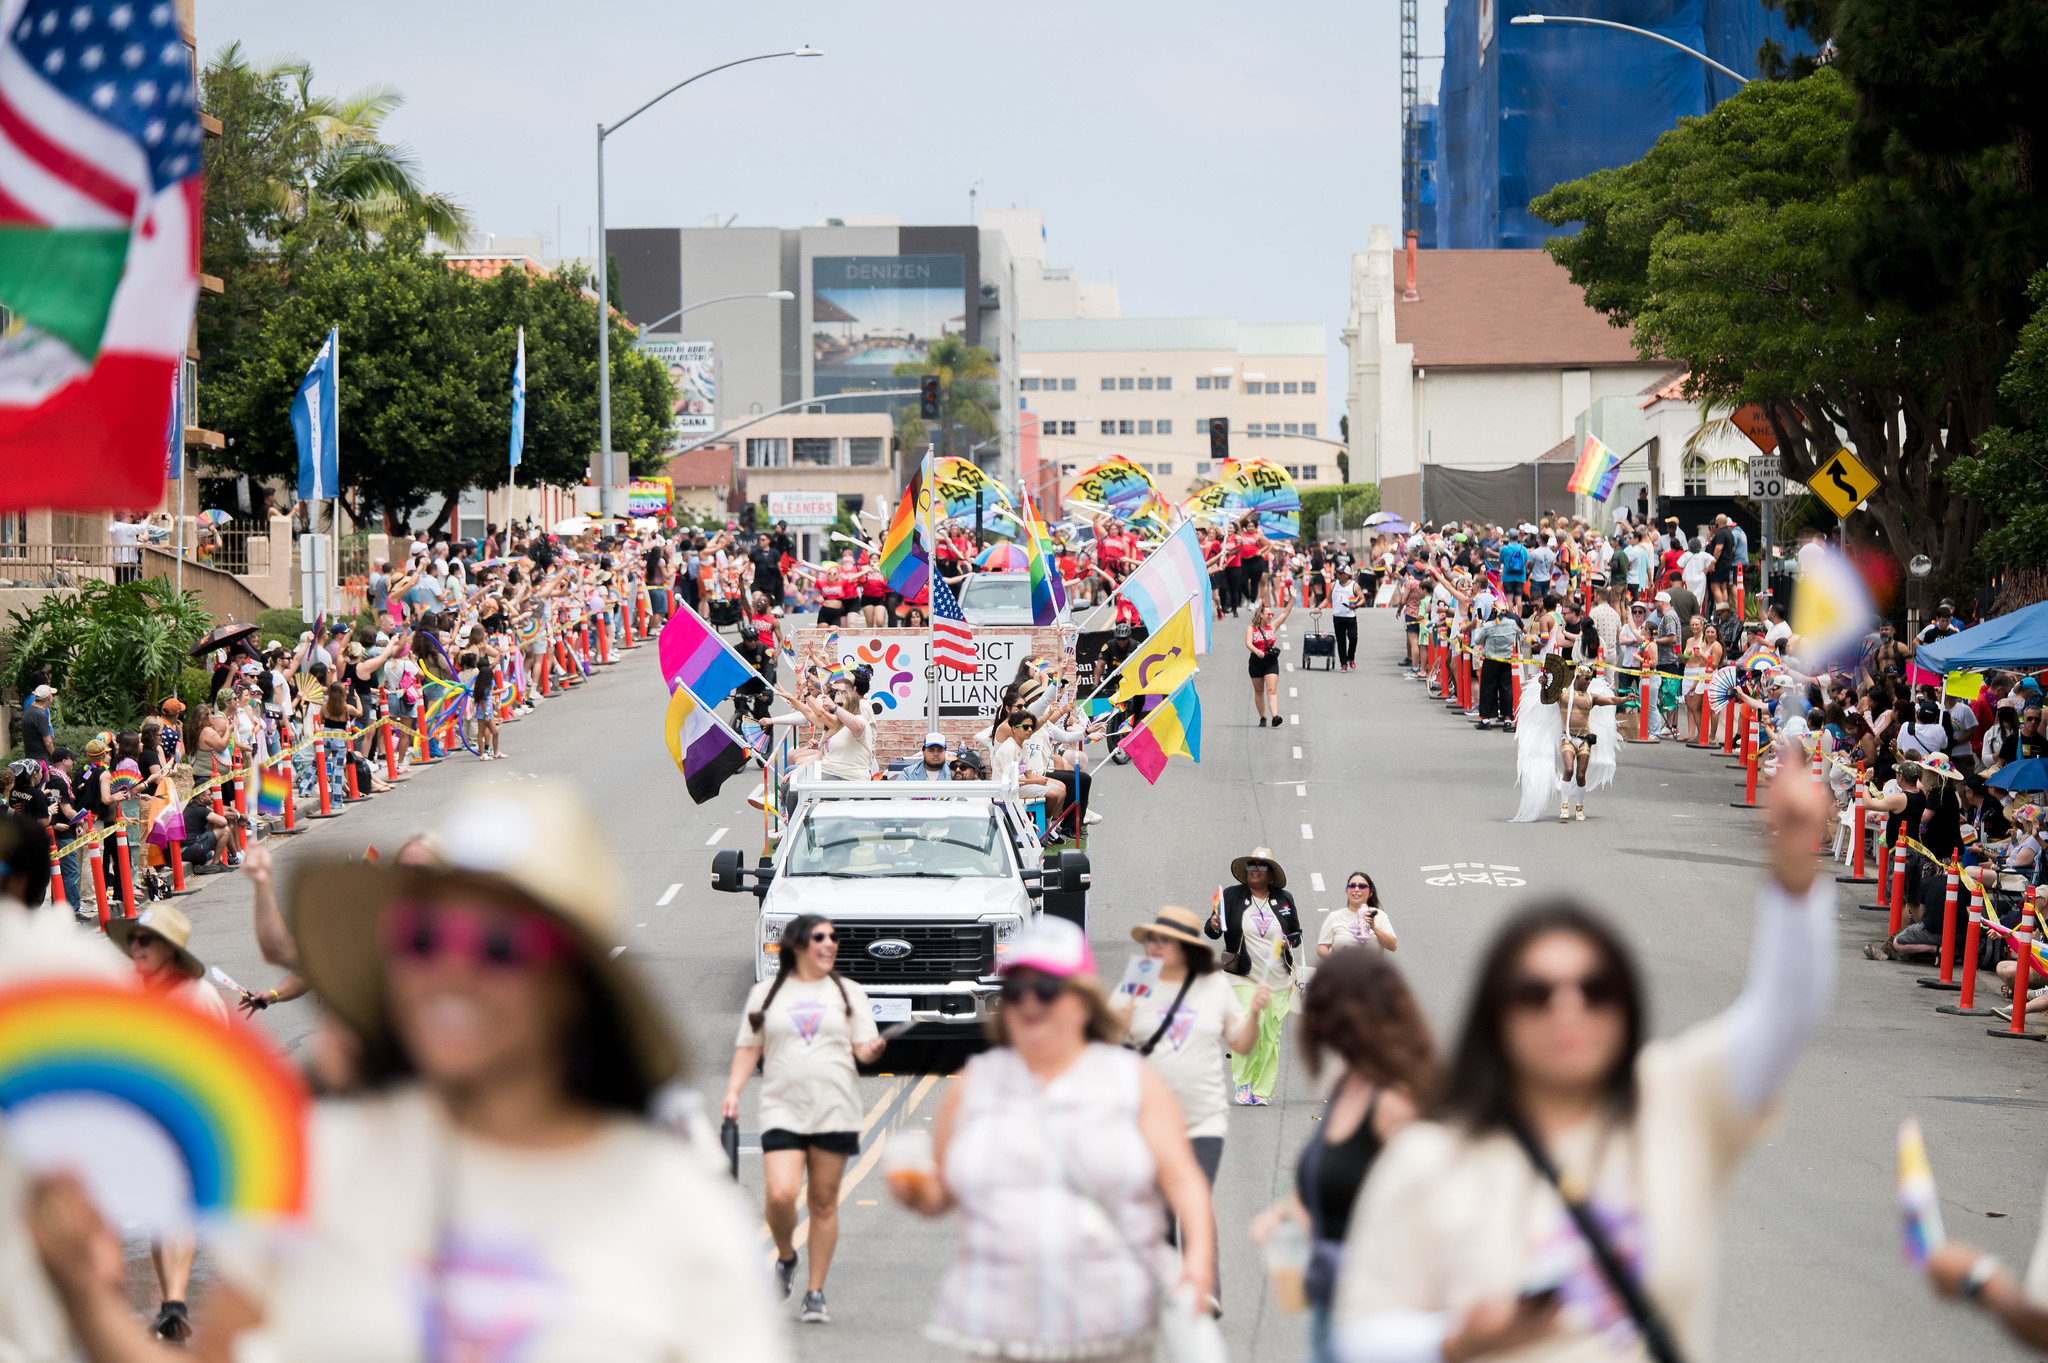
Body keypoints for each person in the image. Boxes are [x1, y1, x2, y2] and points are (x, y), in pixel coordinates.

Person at [30, 780, 787, 1363]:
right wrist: (82, 1293)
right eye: (424, 935)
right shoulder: (325, 1170)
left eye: (498, 946)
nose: (451, 968)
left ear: (570, 984)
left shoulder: (676, 1213)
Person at [1335, 764, 1837, 1363]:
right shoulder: (1431, 1155)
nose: (1568, 1007)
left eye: (1595, 988)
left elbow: (1784, 1014)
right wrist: (1452, 1341)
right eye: (1536, 992)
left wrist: (1795, 873)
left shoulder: (1674, 1099)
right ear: (1495, 1010)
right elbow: (1358, 1337)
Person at [891, 917, 1217, 1360]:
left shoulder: (1130, 1081)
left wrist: (1197, 1265)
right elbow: (941, 1195)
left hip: (1110, 1332)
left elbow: (1184, 1182)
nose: (1028, 1002)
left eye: (1045, 988)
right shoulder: (974, 1084)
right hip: (1000, 1332)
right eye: (1014, 990)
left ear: (1083, 1000)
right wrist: (914, 1192)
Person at [1252, 949, 1436, 1363]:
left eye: (1330, 1013)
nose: (1321, 1027)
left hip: (1384, 1312)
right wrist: (1286, 1213)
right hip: (1332, 1299)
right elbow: (1329, 1171)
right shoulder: (1345, 1080)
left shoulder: (1396, 1101)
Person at [726, 914, 885, 1324]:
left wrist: (872, 1049)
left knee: (822, 1201)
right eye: (820, 938)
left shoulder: (848, 993)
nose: (830, 944)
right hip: (782, 1107)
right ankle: (786, 1256)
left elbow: (863, 1050)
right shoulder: (767, 993)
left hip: (835, 1109)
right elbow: (748, 1047)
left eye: (833, 938)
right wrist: (732, 1092)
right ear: (798, 946)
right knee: (780, 1194)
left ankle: (814, 1291)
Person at [103, 905, 227, 1341]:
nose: (137, 947)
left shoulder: (199, 996)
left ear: (171, 950)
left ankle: (174, 1299)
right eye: (134, 939)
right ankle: (171, 1308)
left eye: (147, 940)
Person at [1123, 906, 1264, 1202]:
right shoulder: (1142, 974)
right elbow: (1110, 1032)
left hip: (1203, 1122)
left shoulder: (1212, 983)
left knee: (1193, 1204)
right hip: (1150, 1122)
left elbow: (1241, 1043)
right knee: (1158, 1217)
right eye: (1151, 939)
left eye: (1163, 941)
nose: (1153, 946)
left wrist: (1254, 1014)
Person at [1206, 846, 1304, 1106]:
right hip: (1243, 976)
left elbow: (1296, 933)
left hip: (1278, 979)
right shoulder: (1232, 896)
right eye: (1251, 866)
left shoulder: (1284, 899)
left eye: (1261, 867)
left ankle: (1261, 1090)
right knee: (1250, 1023)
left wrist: (1289, 942)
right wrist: (1214, 924)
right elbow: (1213, 929)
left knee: (1270, 1036)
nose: (1255, 871)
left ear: (1270, 874)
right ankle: (1243, 1083)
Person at [1513, 661, 1622, 823]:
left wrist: (1626, 698)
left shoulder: (1591, 698)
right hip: (1568, 739)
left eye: (1590, 680)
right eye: (1586, 679)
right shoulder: (1563, 696)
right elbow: (1545, 701)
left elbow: (1611, 701)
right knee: (1569, 769)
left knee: (1580, 775)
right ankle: (1564, 806)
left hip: (1584, 739)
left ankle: (1579, 808)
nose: (1588, 682)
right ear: (1577, 678)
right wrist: (1543, 686)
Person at [1320, 870, 1398, 956]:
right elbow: (1322, 947)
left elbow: (1392, 946)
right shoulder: (1334, 917)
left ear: (1371, 893)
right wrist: (1336, 964)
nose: (1356, 889)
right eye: (1352, 886)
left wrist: (1374, 927)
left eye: (1362, 886)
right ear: (1347, 890)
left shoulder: (1379, 915)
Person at [1248, 600, 1294, 728]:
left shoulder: (1272, 627)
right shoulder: (1251, 629)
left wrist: (1292, 598)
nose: (1270, 617)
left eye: (1271, 615)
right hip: (1256, 662)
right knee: (1259, 691)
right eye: (1268, 614)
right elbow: (1248, 643)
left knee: (1271, 690)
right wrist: (1256, 651)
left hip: (1270, 661)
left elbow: (1285, 614)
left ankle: (1275, 716)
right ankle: (1263, 716)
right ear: (1261, 615)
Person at [1332, 568, 1363, 671]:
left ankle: (1351, 657)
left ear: (1346, 575)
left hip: (1350, 616)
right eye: (1338, 572)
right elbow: (1328, 598)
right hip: (1338, 615)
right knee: (1341, 641)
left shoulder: (1354, 586)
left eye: (1341, 573)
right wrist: (1319, 608)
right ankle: (1343, 663)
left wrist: (1356, 605)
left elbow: (1362, 599)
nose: (1338, 575)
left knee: (1353, 637)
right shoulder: (1334, 585)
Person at [19, 683, 55, 763]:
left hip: (31, 757)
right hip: (40, 760)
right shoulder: (40, 715)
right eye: (52, 695)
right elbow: (48, 742)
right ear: (49, 697)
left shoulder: (29, 711)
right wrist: (55, 757)